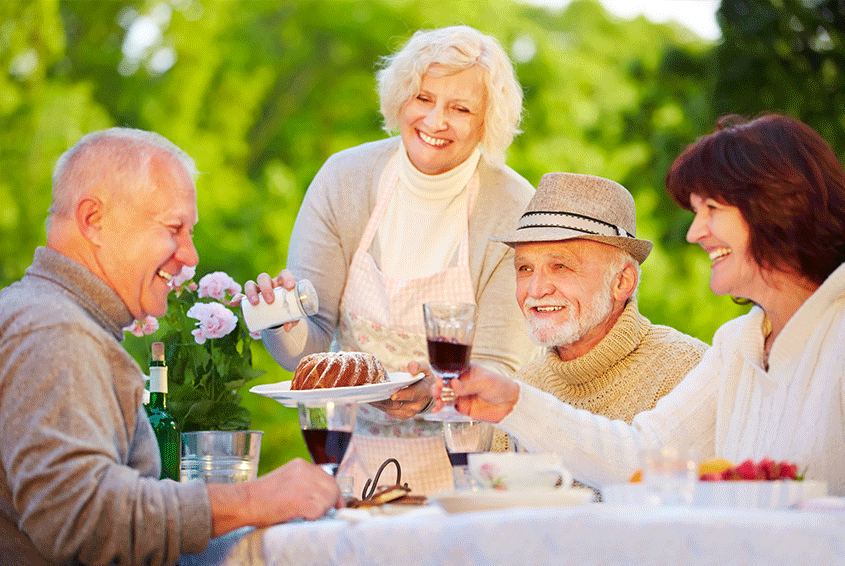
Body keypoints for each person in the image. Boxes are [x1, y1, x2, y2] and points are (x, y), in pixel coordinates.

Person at [431, 113, 845, 496]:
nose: (694, 233)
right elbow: (642, 458)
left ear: (779, 207)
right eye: (524, 268)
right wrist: (512, 400)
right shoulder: (736, 343)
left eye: (712, 209)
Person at [0, 128, 342, 566]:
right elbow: (80, 518)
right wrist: (251, 500)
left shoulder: (42, 314)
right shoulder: (56, 332)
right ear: (93, 220)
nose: (190, 256)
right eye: (174, 229)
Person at [242, 26, 538, 495]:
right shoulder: (344, 180)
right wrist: (282, 321)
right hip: (356, 463)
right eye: (423, 98)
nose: (436, 121)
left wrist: (435, 392)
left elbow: (501, 364)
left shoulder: (515, 207)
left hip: (473, 471)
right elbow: (308, 353)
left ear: (488, 122)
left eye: (460, 109)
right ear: (400, 98)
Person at [487, 172, 707, 452]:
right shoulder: (523, 387)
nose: (535, 289)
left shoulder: (689, 372)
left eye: (560, 266)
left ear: (622, 282)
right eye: (524, 268)